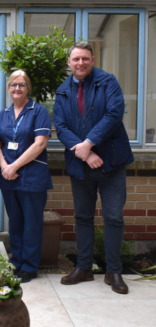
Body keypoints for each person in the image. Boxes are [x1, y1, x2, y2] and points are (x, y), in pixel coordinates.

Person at [54, 42, 134, 294]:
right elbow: (61, 126)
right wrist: (85, 154)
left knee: (113, 217)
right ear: (69, 62)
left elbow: (113, 114)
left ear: (92, 59)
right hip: (81, 165)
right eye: (76, 59)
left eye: (85, 59)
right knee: (83, 217)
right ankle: (84, 268)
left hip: (111, 163)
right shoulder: (63, 91)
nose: (80, 63)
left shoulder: (108, 82)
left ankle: (113, 271)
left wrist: (88, 144)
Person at [0, 70, 52, 283]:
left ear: (28, 88)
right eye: (13, 85)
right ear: (8, 88)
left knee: (32, 222)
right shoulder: (4, 113)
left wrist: (14, 165)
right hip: (9, 176)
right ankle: (16, 261)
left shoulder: (38, 111)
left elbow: (40, 143)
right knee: (15, 221)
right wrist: (4, 166)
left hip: (32, 176)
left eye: (21, 85)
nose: (17, 89)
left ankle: (29, 266)